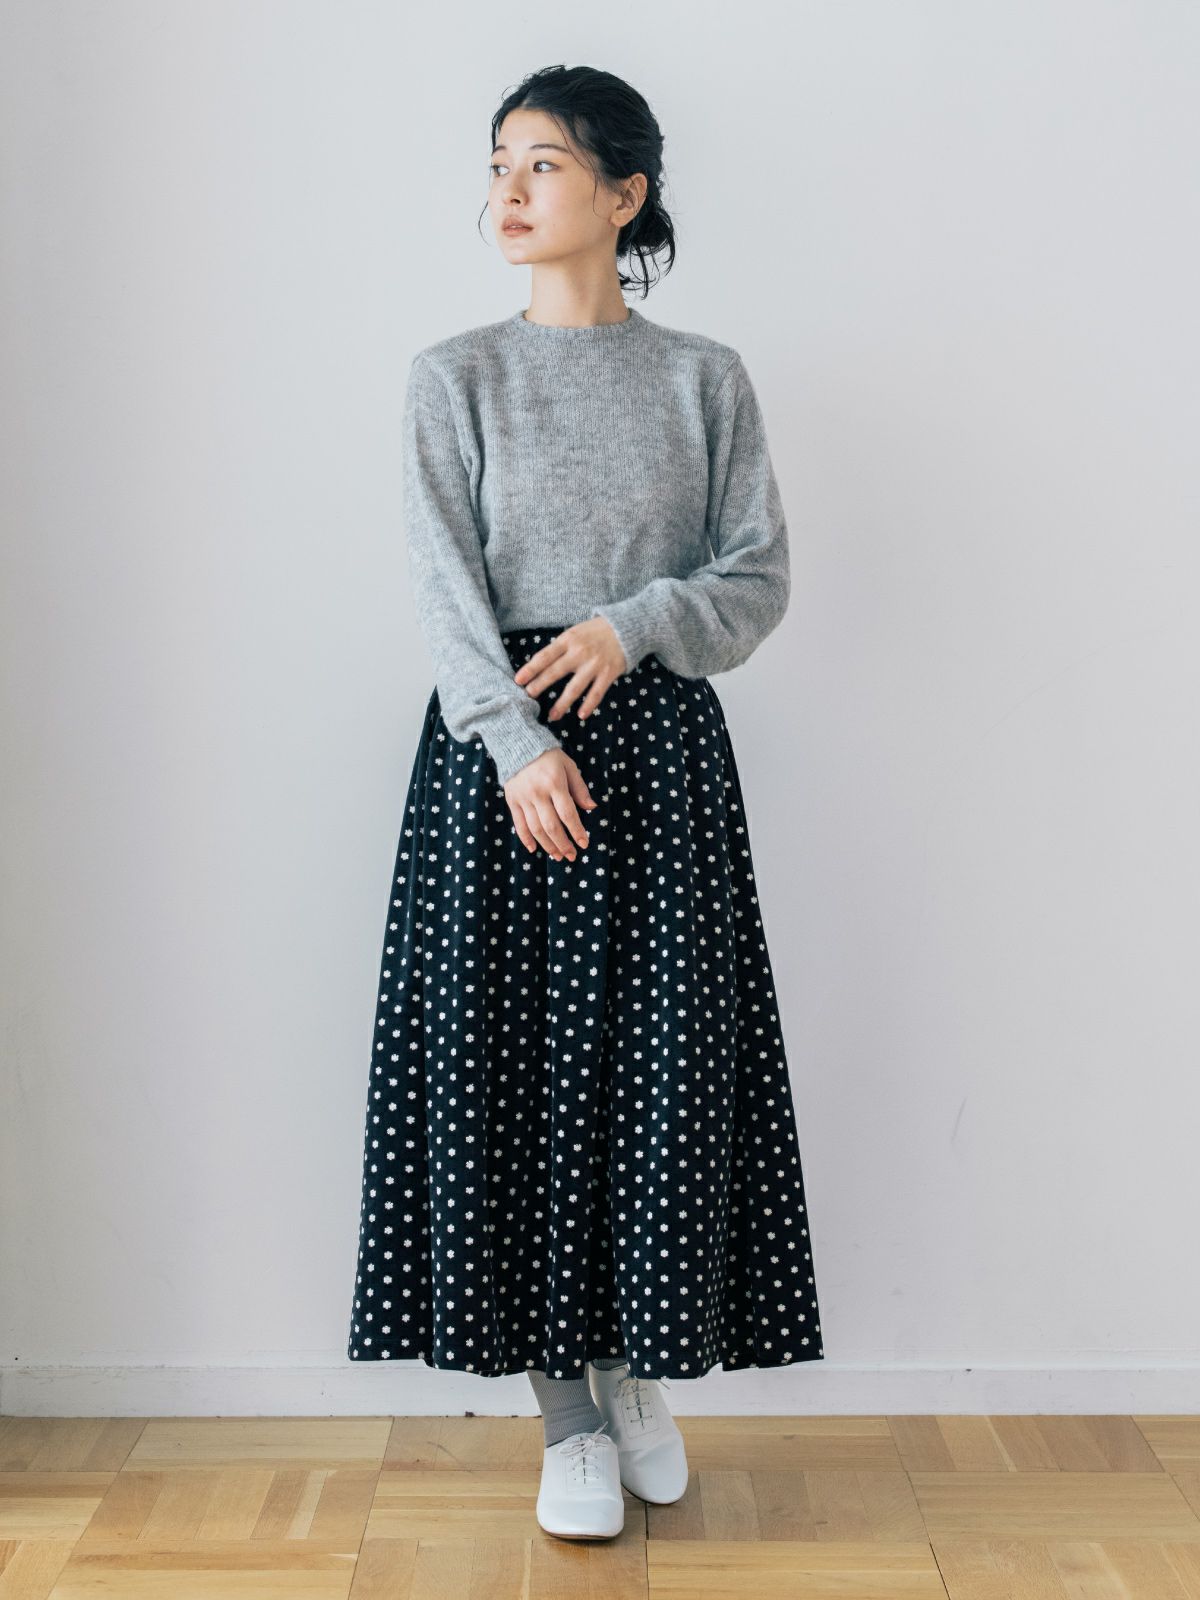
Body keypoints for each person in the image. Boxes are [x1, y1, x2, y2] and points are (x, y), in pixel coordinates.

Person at [347, 63, 824, 1542]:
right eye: (498, 162)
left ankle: (635, 1377)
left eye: (543, 164)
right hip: (502, 772)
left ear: (625, 195)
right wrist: (516, 745)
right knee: (510, 1084)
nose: (507, 190)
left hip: (663, 761)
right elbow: (444, 594)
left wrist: (635, 624)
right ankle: (567, 1417)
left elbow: (756, 581)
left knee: (661, 1079)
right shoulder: (454, 377)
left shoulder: (705, 378)